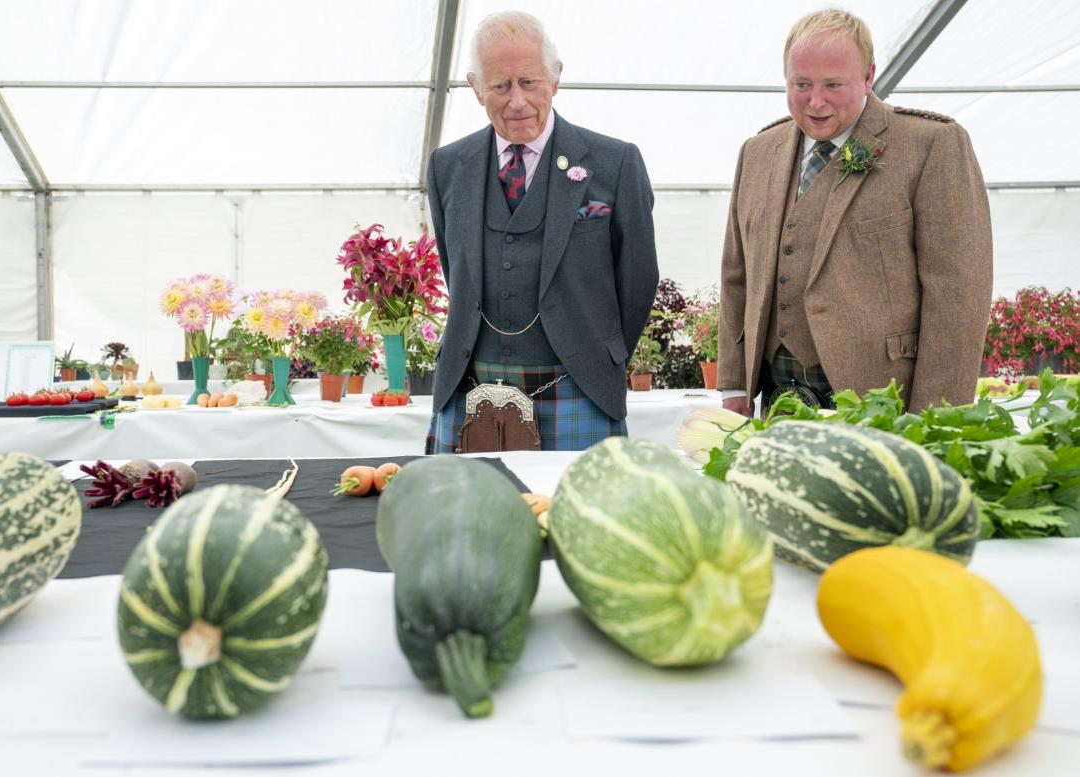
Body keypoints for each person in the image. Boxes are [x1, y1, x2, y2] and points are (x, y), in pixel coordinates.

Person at [718, 8, 992, 416]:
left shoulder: (931, 144)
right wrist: (734, 387)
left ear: (869, 76)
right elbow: (736, 278)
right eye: (802, 84)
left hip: (884, 403)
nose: (816, 101)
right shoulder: (758, 152)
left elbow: (957, 297)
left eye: (833, 84)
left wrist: (934, 418)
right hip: (777, 404)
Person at [424, 10, 658, 453]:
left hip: (580, 389)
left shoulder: (615, 163)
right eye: (500, 85)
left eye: (529, 82)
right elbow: (456, 271)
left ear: (556, 78)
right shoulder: (447, 167)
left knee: (580, 523)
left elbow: (639, 279)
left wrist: (598, 354)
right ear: (476, 87)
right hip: (468, 389)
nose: (517, 101)